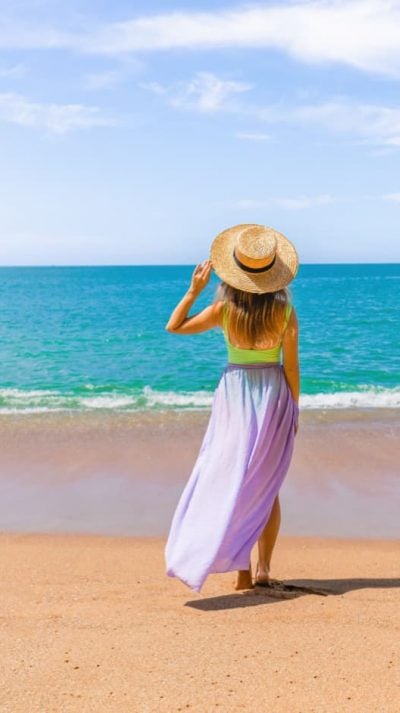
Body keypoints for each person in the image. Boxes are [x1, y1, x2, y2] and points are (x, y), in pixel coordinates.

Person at [164, 224, 300, 593]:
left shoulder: (223, 311)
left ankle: (241, 572)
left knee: (235, 481)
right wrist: (294, 411)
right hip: (273, 396)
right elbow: (291, 367)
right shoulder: (286, 314)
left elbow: (174, 327)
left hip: (235, 396)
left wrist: (194, 291)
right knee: (265, 487)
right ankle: (263, 568)